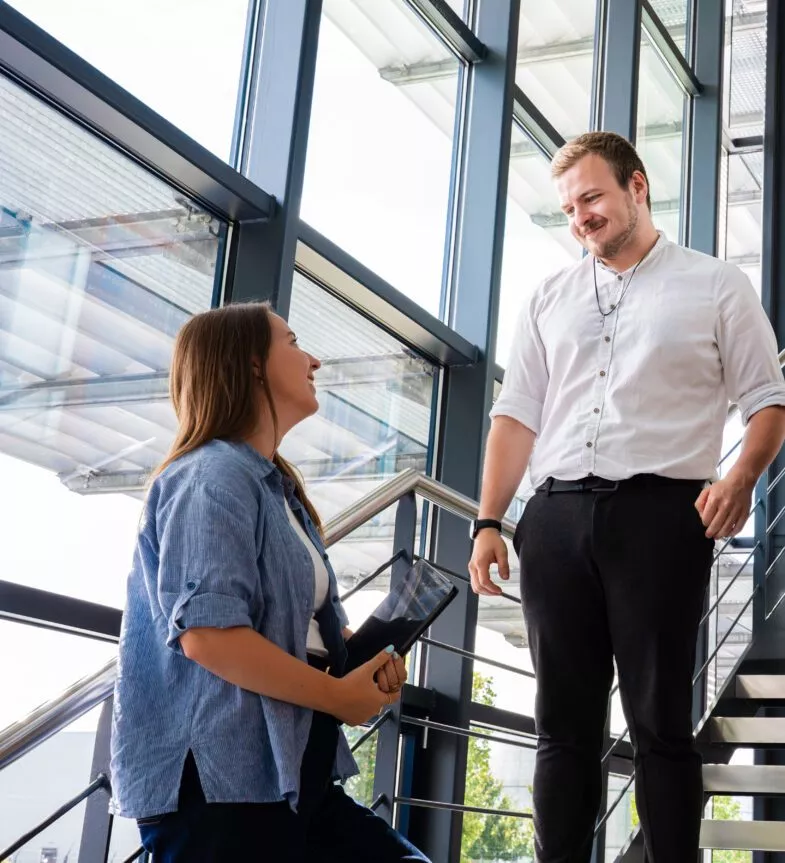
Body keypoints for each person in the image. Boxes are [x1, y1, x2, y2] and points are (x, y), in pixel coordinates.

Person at [468, 131, 785, 862]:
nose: (580, 216)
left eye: (592, 197)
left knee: (658, 722)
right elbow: (514, 417)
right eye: (569, 206)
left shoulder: (714, 283)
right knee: (560, 728)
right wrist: (489, 518)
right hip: (552, 518)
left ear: (636, 187)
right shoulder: (547, 297)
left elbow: (766, 402)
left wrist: (739, 478)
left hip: (660, 518)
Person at [110, 301, 430, 862]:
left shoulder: (277, 491)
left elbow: (286, 626)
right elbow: (208, 636)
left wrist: (359, 666)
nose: (314, 360)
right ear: (252, 365)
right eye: (293, 342)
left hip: (286, 772)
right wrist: (336, 695)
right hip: (220, 786)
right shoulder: (210, 475)